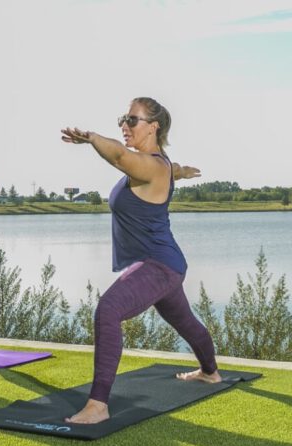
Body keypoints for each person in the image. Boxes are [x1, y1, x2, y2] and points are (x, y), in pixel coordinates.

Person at [57, 97, 222, 424]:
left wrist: (91, 137)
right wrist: (183, 172)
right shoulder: (159, 165)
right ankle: (210, 372)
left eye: (132, 120)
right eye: (123, 118)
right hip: (163, 265)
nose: (124, 125)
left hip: (159, 265)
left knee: (109, 309)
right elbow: (166, 169)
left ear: (154, 126)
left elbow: (118, 155)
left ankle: (98, 406)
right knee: (185, 322)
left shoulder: (150, 165)